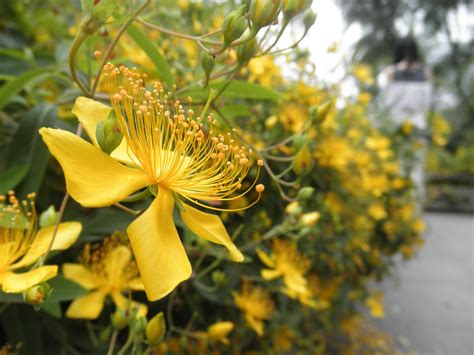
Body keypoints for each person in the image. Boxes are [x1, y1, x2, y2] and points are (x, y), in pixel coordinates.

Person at [378, 37, 433, 207]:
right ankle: (413, 216)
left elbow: (383, 103)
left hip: (394, 129)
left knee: (394, 171)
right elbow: (427, 103)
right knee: (416, 172)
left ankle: (395, 213)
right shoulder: (426, 72)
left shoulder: (389, 72)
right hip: (418, 129)